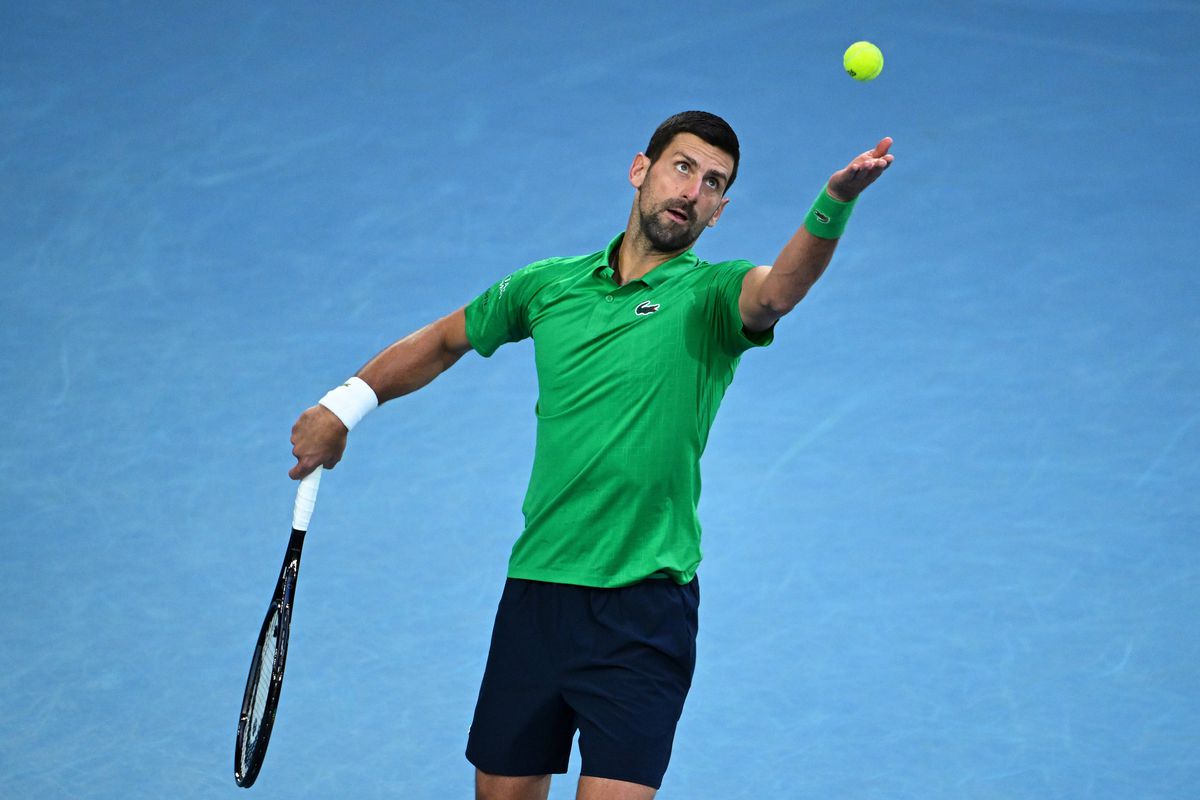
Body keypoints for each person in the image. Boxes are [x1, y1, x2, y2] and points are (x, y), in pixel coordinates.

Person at [288, 111, 893, 800]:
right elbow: (443, 339)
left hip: (645, 610)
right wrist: (346, 405)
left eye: (713, 183)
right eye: (682, 166)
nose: (692, 190)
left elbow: (780, 288)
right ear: (642, 169)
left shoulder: (713, 297)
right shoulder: (549, 287)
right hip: (538, 596)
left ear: (720, 211)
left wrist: (835, 199)